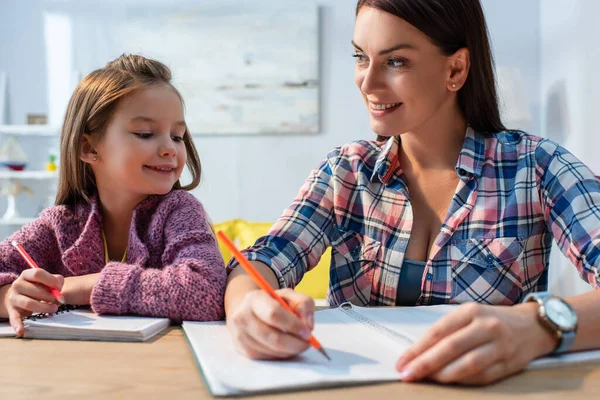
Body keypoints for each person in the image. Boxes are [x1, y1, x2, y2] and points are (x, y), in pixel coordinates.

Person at [224, 0, 600, 385]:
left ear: (455, 69)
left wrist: (538, 326)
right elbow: (264, 260)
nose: (367, 83)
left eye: (395, 62)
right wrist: (247, 307)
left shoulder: (535, 165)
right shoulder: (347, 172)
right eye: (360, 57)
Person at [0, 54, 227, 335]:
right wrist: (7, 296)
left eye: (177, 136)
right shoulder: (60, 224)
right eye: (145, 133)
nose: (170, 148)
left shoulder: (180, 211)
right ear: (89, 148)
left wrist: (85, 286)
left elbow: (207, 291)